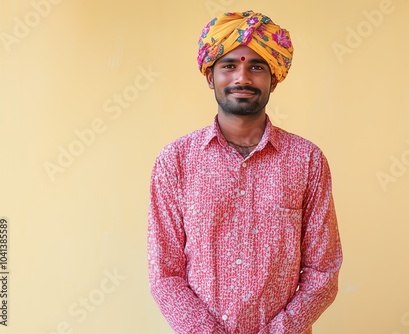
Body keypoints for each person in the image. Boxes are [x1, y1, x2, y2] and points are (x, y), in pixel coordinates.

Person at [147, 10, 342, 334]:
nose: (242, 78)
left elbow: (323, 271)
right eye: (229, 66)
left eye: (256, 66)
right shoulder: (176, 161)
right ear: (210, 76)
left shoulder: (306, 160)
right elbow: (165, 274)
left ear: (274, 78)